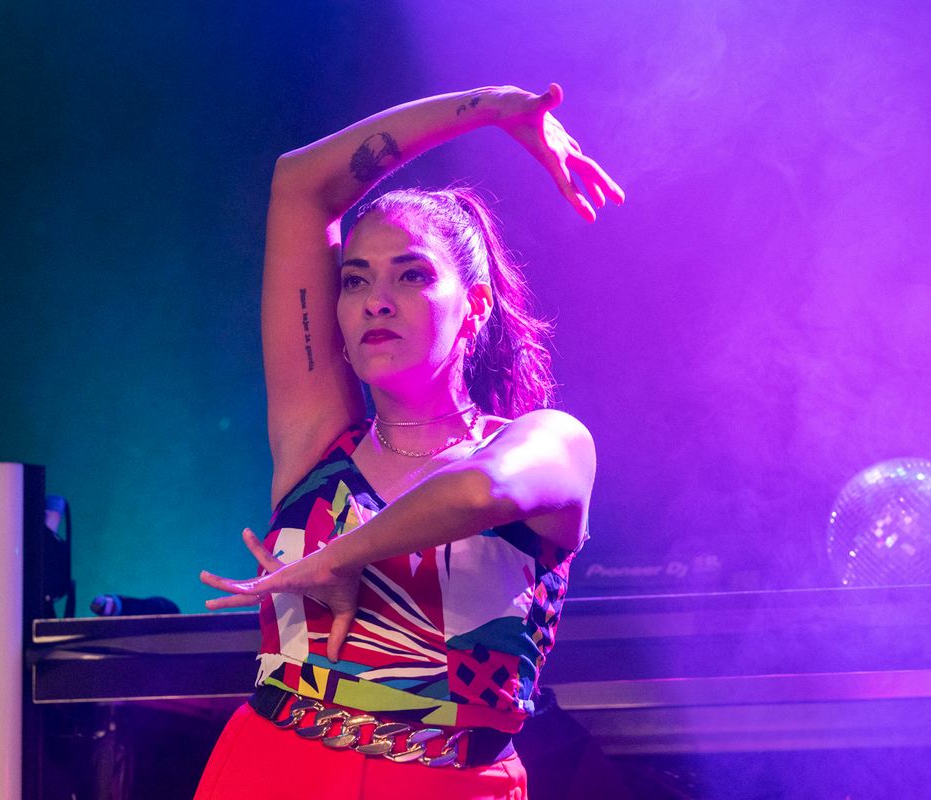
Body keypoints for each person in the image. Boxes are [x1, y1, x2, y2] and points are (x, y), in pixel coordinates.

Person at [195, 83, 623, 800]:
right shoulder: (316, 438)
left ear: (475, 306)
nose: (375, 301)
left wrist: (343, 555)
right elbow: (300, 184)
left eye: (412, 274)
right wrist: (490, 108)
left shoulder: (550, 442)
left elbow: (480, 491)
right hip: (269, 772)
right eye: (354, 279)